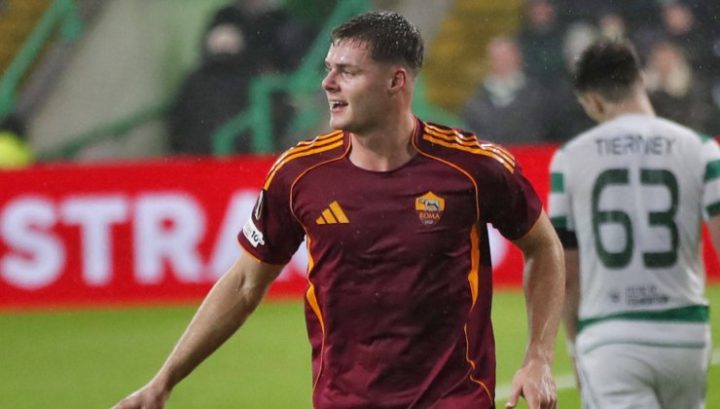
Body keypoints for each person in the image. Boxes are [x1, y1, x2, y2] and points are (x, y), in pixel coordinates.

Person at [114, 11, 564, 409]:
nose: (328, 83)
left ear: (396, 81)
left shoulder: (474, 167)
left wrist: (539, 357)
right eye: (329, 69)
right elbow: (245, 284)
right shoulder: (299, 174)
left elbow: (544, 246)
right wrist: (163, 382)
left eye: (347, 71)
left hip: (454, 400)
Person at [548, 39, 719, 408]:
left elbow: (568, 271)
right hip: (685, 332)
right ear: (641, 79)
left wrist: (576, 345)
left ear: (592, 100)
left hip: (611, 336)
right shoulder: (701, 148)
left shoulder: (569, 159)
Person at [462, 36, 554, 144]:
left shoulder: (537, 93)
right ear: (490, 61)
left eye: (507, 55)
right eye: (498, 57)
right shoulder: (477, 99)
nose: (504, 61)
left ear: (518, 58)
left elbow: (545, 129)